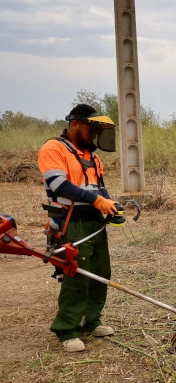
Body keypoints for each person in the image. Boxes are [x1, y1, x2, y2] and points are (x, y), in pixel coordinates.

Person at [38, 104, 119, 352]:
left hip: (94, 223)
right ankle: (67, 329)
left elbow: (99, 187)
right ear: (75, 124)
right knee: (76, 275)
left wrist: (110, 205)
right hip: (69, 223)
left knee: (100, 272)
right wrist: (96, 200)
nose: (94, 135)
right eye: (90, 128)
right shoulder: (53, 148)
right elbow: (59, 185)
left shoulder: (93, 157)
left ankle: (91, 320)